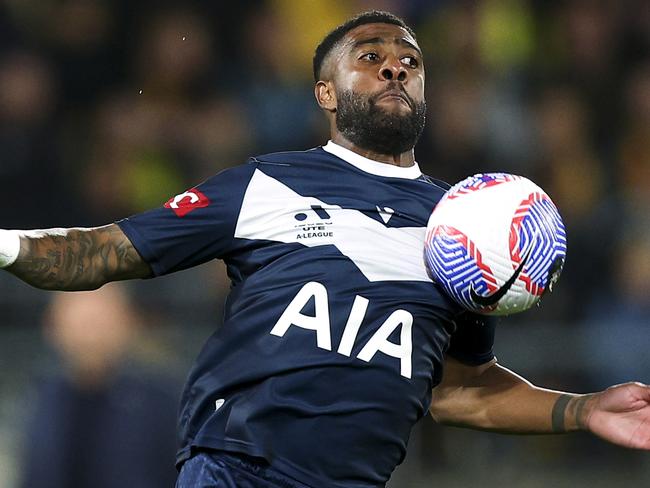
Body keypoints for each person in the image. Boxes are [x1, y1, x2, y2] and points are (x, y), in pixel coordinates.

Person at [1, 10, 649, 488]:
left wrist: (583, 409)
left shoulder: (464, 229)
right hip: (237, 470)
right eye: (369, 57)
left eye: (410, 60)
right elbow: (97, 254)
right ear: (325, 93)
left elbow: (461, 390)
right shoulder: (263, 183)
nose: (395, 64)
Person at [19, 284, 179, 488]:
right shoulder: (41, 400)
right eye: (80, 321)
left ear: (128, 322)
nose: (90, 335)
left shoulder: (162, 404)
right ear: (51, 325)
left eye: (99, 320)